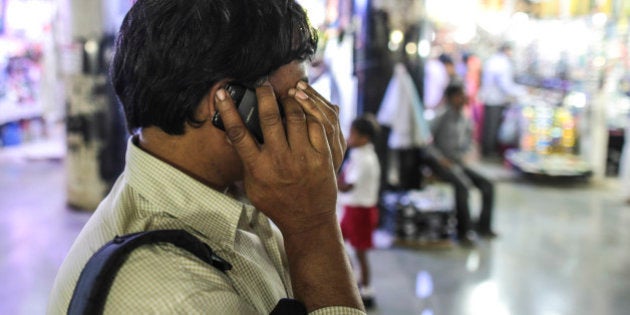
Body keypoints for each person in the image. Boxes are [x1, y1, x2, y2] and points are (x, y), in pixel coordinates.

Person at [47, 1, 365, 314]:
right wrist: (313, 226)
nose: (315, 115)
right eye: (296, 97)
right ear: (229, 107)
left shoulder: (236, 189)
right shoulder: (174, 297)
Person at [426, 83, 497, 246]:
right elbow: (427, 143)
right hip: (441, 163)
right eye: (459, 95)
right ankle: (464, 231)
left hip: (457, 162)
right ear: (451, 98)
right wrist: (440, 158)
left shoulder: (465, 119)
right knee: (462, 186)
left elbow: (468, 142)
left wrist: (464, 153)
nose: (462, 98)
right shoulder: (440, 117)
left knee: (487, 184)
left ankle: (483, 226)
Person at [337, 114, 381, 308]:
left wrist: (328, 176)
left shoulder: (366, 160)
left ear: (364, 138)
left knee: (361, 252)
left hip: (360, 211)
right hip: (351, 209)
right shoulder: (358, 155)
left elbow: (347, 186)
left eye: (353, 134)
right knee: (339, 244)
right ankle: (352, 280)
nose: (349, 137)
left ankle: (367, 290)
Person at [479, 43, 524, 158]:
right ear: (507, 50)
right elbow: (505, 84)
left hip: (490, 98)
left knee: (489, 126)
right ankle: (489, 152)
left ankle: (487, 150)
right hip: (495, 99)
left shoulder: (493, 60)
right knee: (492, 127)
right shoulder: (502, 63)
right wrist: (520, 91)